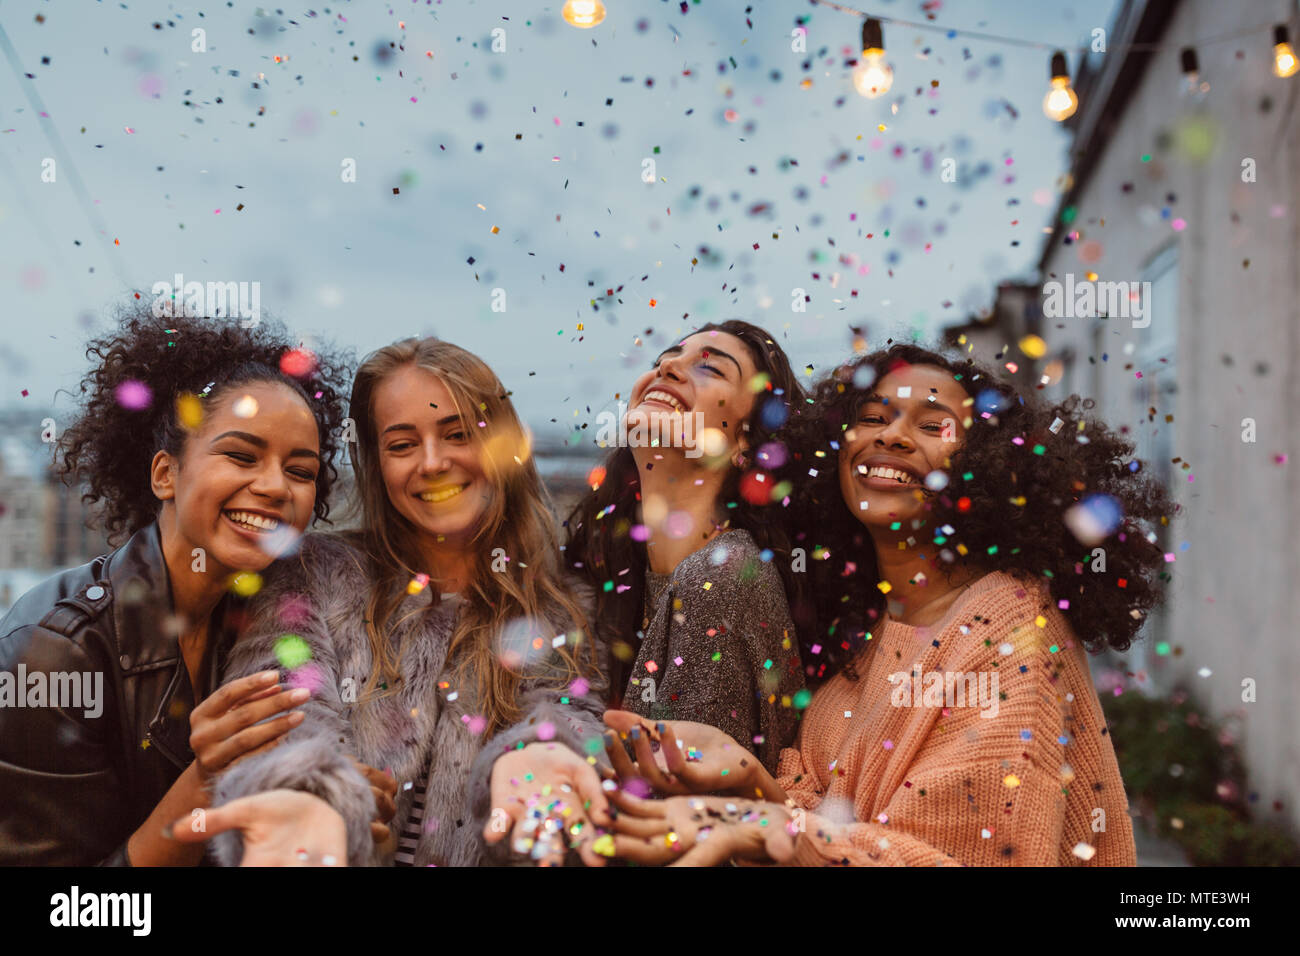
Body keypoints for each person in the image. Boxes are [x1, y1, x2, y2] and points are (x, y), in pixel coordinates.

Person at [601, 342, 1172, 866]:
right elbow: (835, 828)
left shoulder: (1011, 631)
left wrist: (759, 819)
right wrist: (748, 777)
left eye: (932, 425)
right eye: (872, 418)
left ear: (988, 466)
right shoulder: (869, 628)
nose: (892, 436)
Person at [176, 338, 611, 867]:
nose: (432, 463)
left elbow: (565, 714)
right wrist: (307, 796)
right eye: (402, 445)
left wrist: (545, 760)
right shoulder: (313, 576)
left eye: (457, 435)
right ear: (376, 462)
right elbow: (283, 714)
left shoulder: (565, 604)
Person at [0, 304, 353, 865]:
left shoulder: (283, 620)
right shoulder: (50, 652)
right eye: (241, 455)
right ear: (165, 474)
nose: (274, 486)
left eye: (301, 470)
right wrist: (208, 778)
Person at [564, 320, 807, 781]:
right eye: (663, 360)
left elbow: (678, 818)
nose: (669, 367)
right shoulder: (614, 574)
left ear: (743, 443)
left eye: (711, 369)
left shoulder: (720, 578)